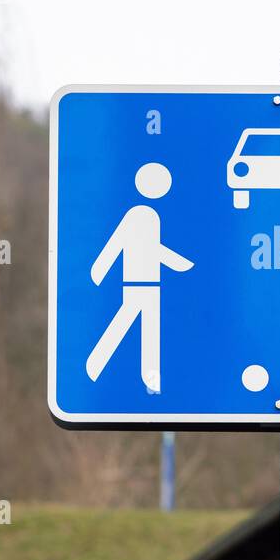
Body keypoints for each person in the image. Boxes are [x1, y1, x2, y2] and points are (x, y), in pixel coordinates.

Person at [86, 163, 193, 392]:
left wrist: (177, 263)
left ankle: (151, 381)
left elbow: (151, 248)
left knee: (147, 331)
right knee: (127, 323)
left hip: (151, 285)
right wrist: (99, 270)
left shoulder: (149, 215)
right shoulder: (140, 215)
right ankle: (95, 365)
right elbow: (121, 243)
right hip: (137, 283)